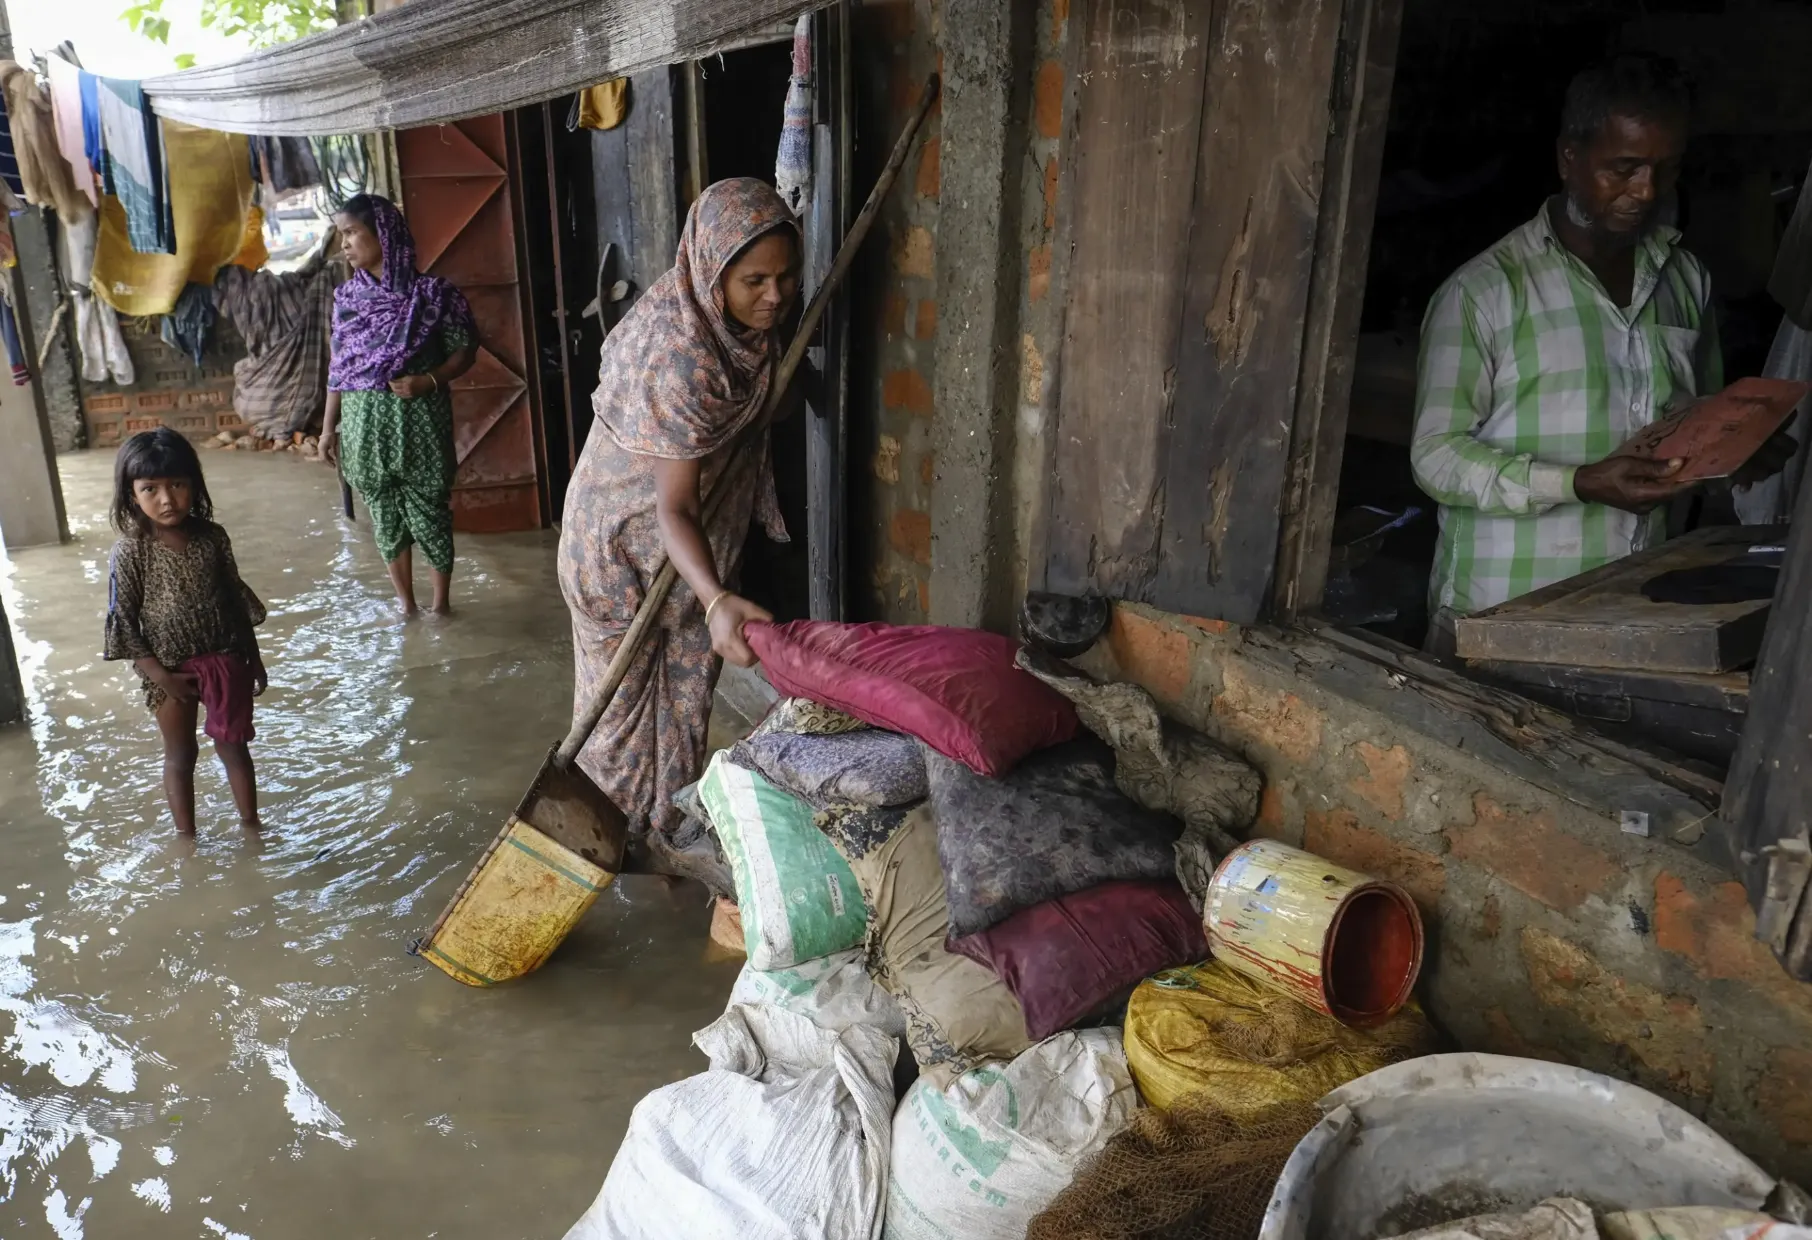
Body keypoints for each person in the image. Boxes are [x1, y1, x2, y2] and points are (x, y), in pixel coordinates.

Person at [1411, 54, 1791, 645]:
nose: (1645, 190)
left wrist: (1733, 452)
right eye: (1624, 167)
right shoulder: (1485, 291)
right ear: (1569, 157)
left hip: (1636, 604)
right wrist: (1578, 483)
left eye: (1664, 170)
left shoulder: (1686, 280)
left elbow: (1694, 417)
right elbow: (1435, 457)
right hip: (1502, 612)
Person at [559, 177, 802, 848]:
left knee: (686, 714)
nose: (775, 296)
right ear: (711, 271)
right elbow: (674, 505)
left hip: (695, 556)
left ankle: (672, 852)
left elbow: (764, 406)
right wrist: (718, 595)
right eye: (755, 281)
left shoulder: (744, 329)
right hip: (620, 557)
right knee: (622, 735)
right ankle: (605, 859)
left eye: (785, 277)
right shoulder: (677, 355)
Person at [103, 428, 268, 834]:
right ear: (131, 495)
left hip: (227, 657)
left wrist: (254, 657)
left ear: (194, 484)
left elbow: (234, 601)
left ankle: (252, 827)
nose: (166, 499)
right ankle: (187, 840)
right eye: (150, 489)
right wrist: (161, 676)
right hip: (168, 669)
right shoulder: (131, 550)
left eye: (177, 484)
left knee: (235, 747)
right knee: (180, 755)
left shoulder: (212, 538)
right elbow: (123, 621)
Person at [319, 194, 477, 617]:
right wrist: (327, 429)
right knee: (384, 516)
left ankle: (441, 607)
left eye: (351, 232)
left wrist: (429, 380)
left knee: (431, 512)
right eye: (342, 235)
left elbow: (465, 351)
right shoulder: (347, 299)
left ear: (383, 234)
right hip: (362, 426)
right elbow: (340, 368)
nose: (345, 245)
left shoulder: (434, 294)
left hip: (420, 424)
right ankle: (406, 607)